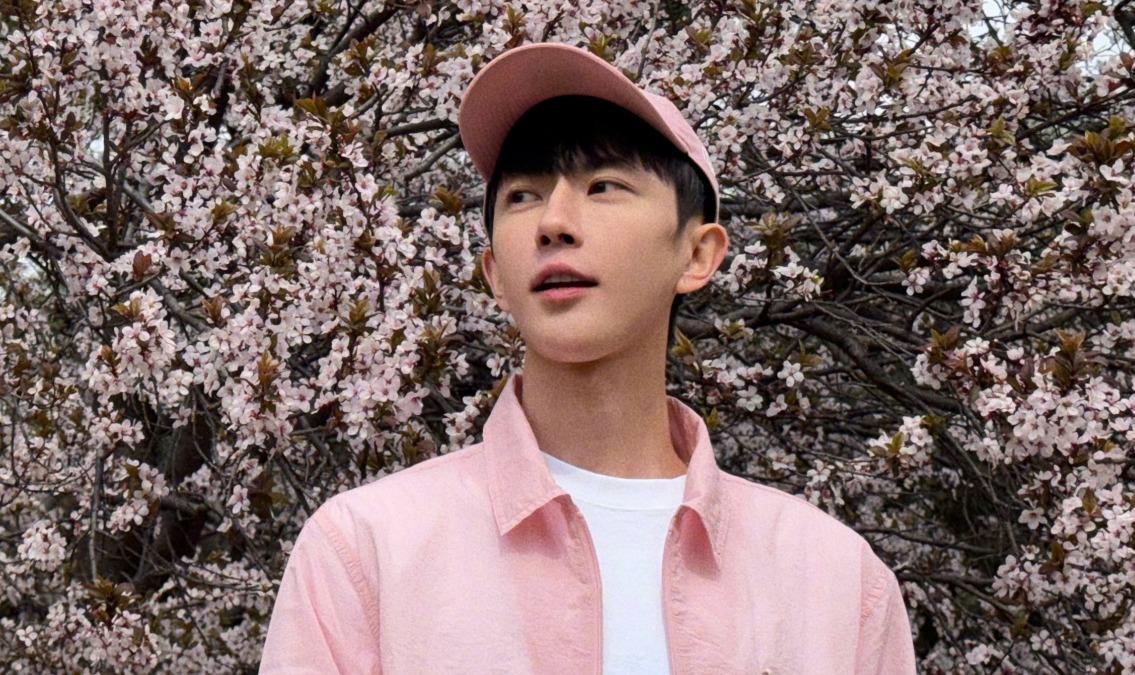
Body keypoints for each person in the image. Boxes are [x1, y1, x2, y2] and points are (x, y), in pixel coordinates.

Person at [259, 42, 917, 674]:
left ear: (697, 254)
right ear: (495, 273)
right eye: (522, 195)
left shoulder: (835, 584)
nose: (554, 222)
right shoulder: (368, 552)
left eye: (603, 185)